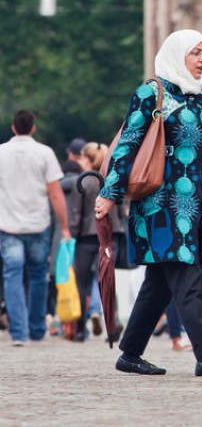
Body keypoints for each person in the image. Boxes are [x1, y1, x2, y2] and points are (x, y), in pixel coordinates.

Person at [96, 29, 202, 377]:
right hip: (161, 209)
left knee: (159, 285)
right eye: (196, 53)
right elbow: (128, 145)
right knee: (186, 276)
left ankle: (130, 353)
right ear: (177, 55)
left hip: (198, 208)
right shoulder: (151, 94)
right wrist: (109, 193)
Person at [0, 109, 72, 346]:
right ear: (33, 128)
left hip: (8, 225)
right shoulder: (45, 153)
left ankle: (18, 332)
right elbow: (56, 193)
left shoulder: (1, 153)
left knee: (12, 275)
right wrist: (64, 227)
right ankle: (37, 328)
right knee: (38, 276)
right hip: (38, 224)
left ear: (13, 127)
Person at [69, 142, 123, 342]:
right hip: (109, 236)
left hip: (85, 237)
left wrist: (72, 233)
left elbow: (76, 213)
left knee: (82, 283)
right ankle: (113, 321)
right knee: (108, 281)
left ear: (86, 159)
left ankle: (80, 328)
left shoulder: (82, 181)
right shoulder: (110, 180)